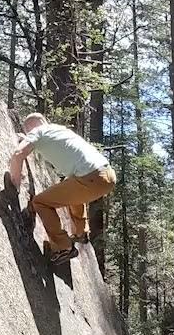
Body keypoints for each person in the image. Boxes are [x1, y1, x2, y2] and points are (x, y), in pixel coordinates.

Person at [8, 112, 116, 263]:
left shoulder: (37, 131)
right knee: (70, 183)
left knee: (40, 202)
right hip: (107, 175)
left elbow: (18, 153)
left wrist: (15, 183)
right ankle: (80, 232)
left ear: (30, 129)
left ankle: (63, 247)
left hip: (90, 178)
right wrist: (27, 139)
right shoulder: (60, 130)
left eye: (28, 131)